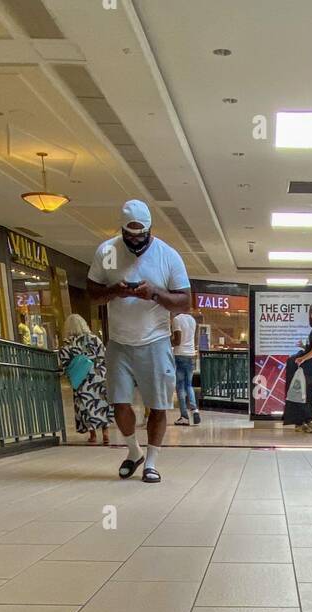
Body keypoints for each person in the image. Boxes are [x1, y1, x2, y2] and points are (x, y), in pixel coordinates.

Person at [87, 199, 192, 483]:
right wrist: (114, 292)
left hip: (156, 341)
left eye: (140, 235)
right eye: (129, 235)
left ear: (149, 229)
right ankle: (134, 453)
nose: (135, 241)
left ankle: (152, 461)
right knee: (119, 404)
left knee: (158, 405)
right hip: (119, 342)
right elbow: (92, 293)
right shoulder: (107, 251)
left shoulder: (167, 256)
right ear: (121, 230)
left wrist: (155, 293)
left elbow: (184, 302)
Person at [57, 313, 111, 446]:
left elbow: (64, 361)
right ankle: (105, 433)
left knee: (86, 404)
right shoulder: (94, 339)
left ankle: (92, 435)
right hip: (98, 375)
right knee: (101, 403)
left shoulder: (69, 343)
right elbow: (104, 355)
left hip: (82, 378)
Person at [283, 304, 312, 434]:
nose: (309, 317)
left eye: (309, 314)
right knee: (306, 394)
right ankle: (306, 422)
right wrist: (304, 347)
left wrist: (303, 358)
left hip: (309, 369)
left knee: (301, 394)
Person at [171, 309, 200, 425]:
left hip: (180, 355)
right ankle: (194, 409)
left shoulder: (177, 320)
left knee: (180, 387)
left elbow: (177, 340)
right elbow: (195, 339)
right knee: (189, 385)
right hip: (191, 355)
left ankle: (184, 416)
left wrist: (166, 342)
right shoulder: (192, 320)